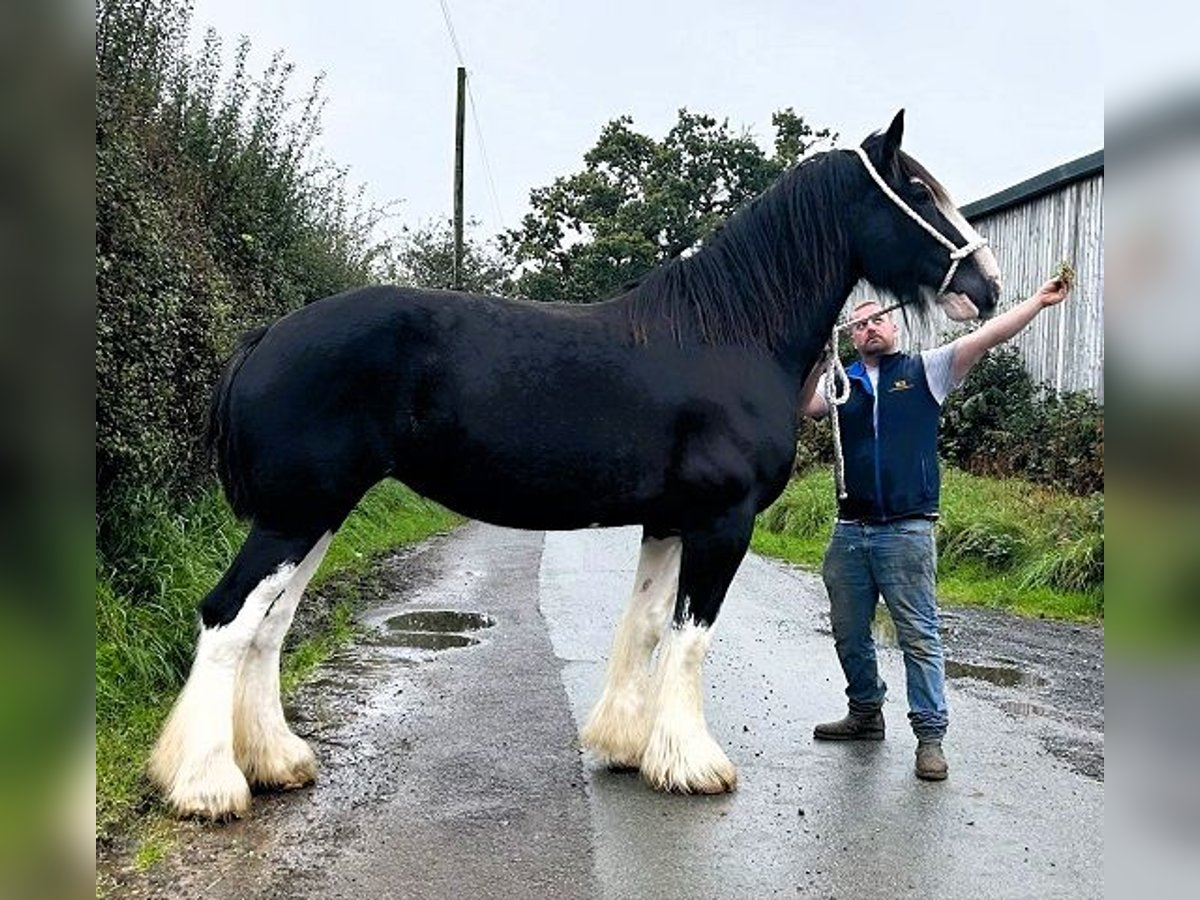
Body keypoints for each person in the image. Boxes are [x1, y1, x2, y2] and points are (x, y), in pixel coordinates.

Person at [799, 276, 1071, 780]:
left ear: (895, 325)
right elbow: (801, 405)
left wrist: (1038, 300)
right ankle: (865, 713)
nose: (868, 328)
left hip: (907, 530)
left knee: (918, 636)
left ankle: (929, 737)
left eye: (876, 318)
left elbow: (987, 336)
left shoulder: (928, 370)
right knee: (848, 633)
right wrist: (816, 351)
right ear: (851, 337)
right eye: (858, 325)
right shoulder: (840, 383)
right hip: (850, 530)